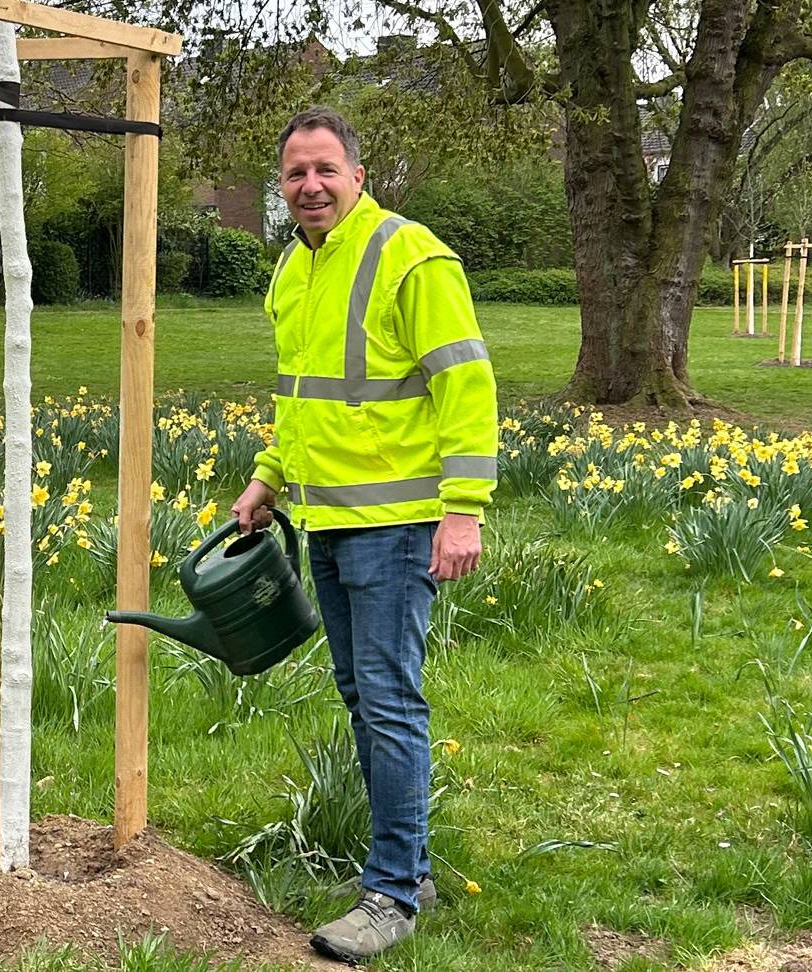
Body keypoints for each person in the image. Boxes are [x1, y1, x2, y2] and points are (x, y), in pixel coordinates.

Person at [229, 107, 497, 961]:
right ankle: (405, 865)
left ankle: (390, 895)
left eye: (324, 170)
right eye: (295, 174)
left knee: (387, 703)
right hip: (327, 521)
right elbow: (300, 394)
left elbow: (467, 384)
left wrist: (464, 511)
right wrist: (270, 475)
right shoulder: (294, 269)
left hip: (395, 526)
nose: (310, 186)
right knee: (364, 699)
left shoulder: (408, 255)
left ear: (357, 173)